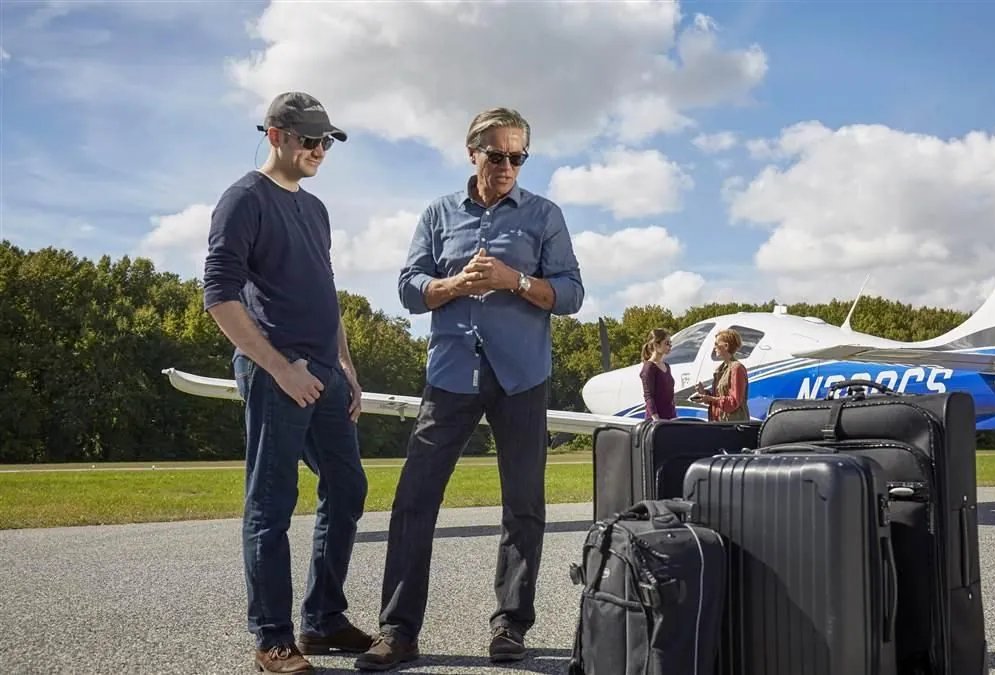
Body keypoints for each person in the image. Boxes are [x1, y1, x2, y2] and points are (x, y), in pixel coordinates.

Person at [355, 107, 585, 670]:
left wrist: (517, 281)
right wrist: (453, 284)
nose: (508, 166)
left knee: (524, 504)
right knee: (414, 499)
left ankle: (511, 625)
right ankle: (399, 630)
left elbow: (573, 294)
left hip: (522, 376)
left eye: (518, 156)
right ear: (472, 153)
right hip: (450, 373)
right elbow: (409, 288)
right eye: (497, 154)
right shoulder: (437, 214)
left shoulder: (544, 216)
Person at [202, 91, 372, 673]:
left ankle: (322, 620)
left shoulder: (316, 209)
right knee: (271, 505)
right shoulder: (244, 199)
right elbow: (219, 296)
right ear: (276, 135)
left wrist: (345, 364)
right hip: (278, 373)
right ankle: (272, 638)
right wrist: (279, 366)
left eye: (327, 141)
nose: (320, 149)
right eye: (309, 139)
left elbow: (327, 294)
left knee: (348, 490)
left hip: (324, 371)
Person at [693, 329, 750, 421]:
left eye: (716, 344)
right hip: (719, 422)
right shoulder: (720, 369)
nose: (714, 347)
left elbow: (733, 402)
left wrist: (710, 398)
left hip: (732, 425)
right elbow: (719, 397)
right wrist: (704, 393)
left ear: (726, 346)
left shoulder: (737, 368)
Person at [639, 328, 677, 421]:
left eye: (670, 343)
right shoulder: (649, 368)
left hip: (670, 418)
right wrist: (656, 419)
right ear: (656, 344)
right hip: (657, 421)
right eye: (667, 343)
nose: (670, 346)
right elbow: (648, 396)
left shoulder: (667, 366)